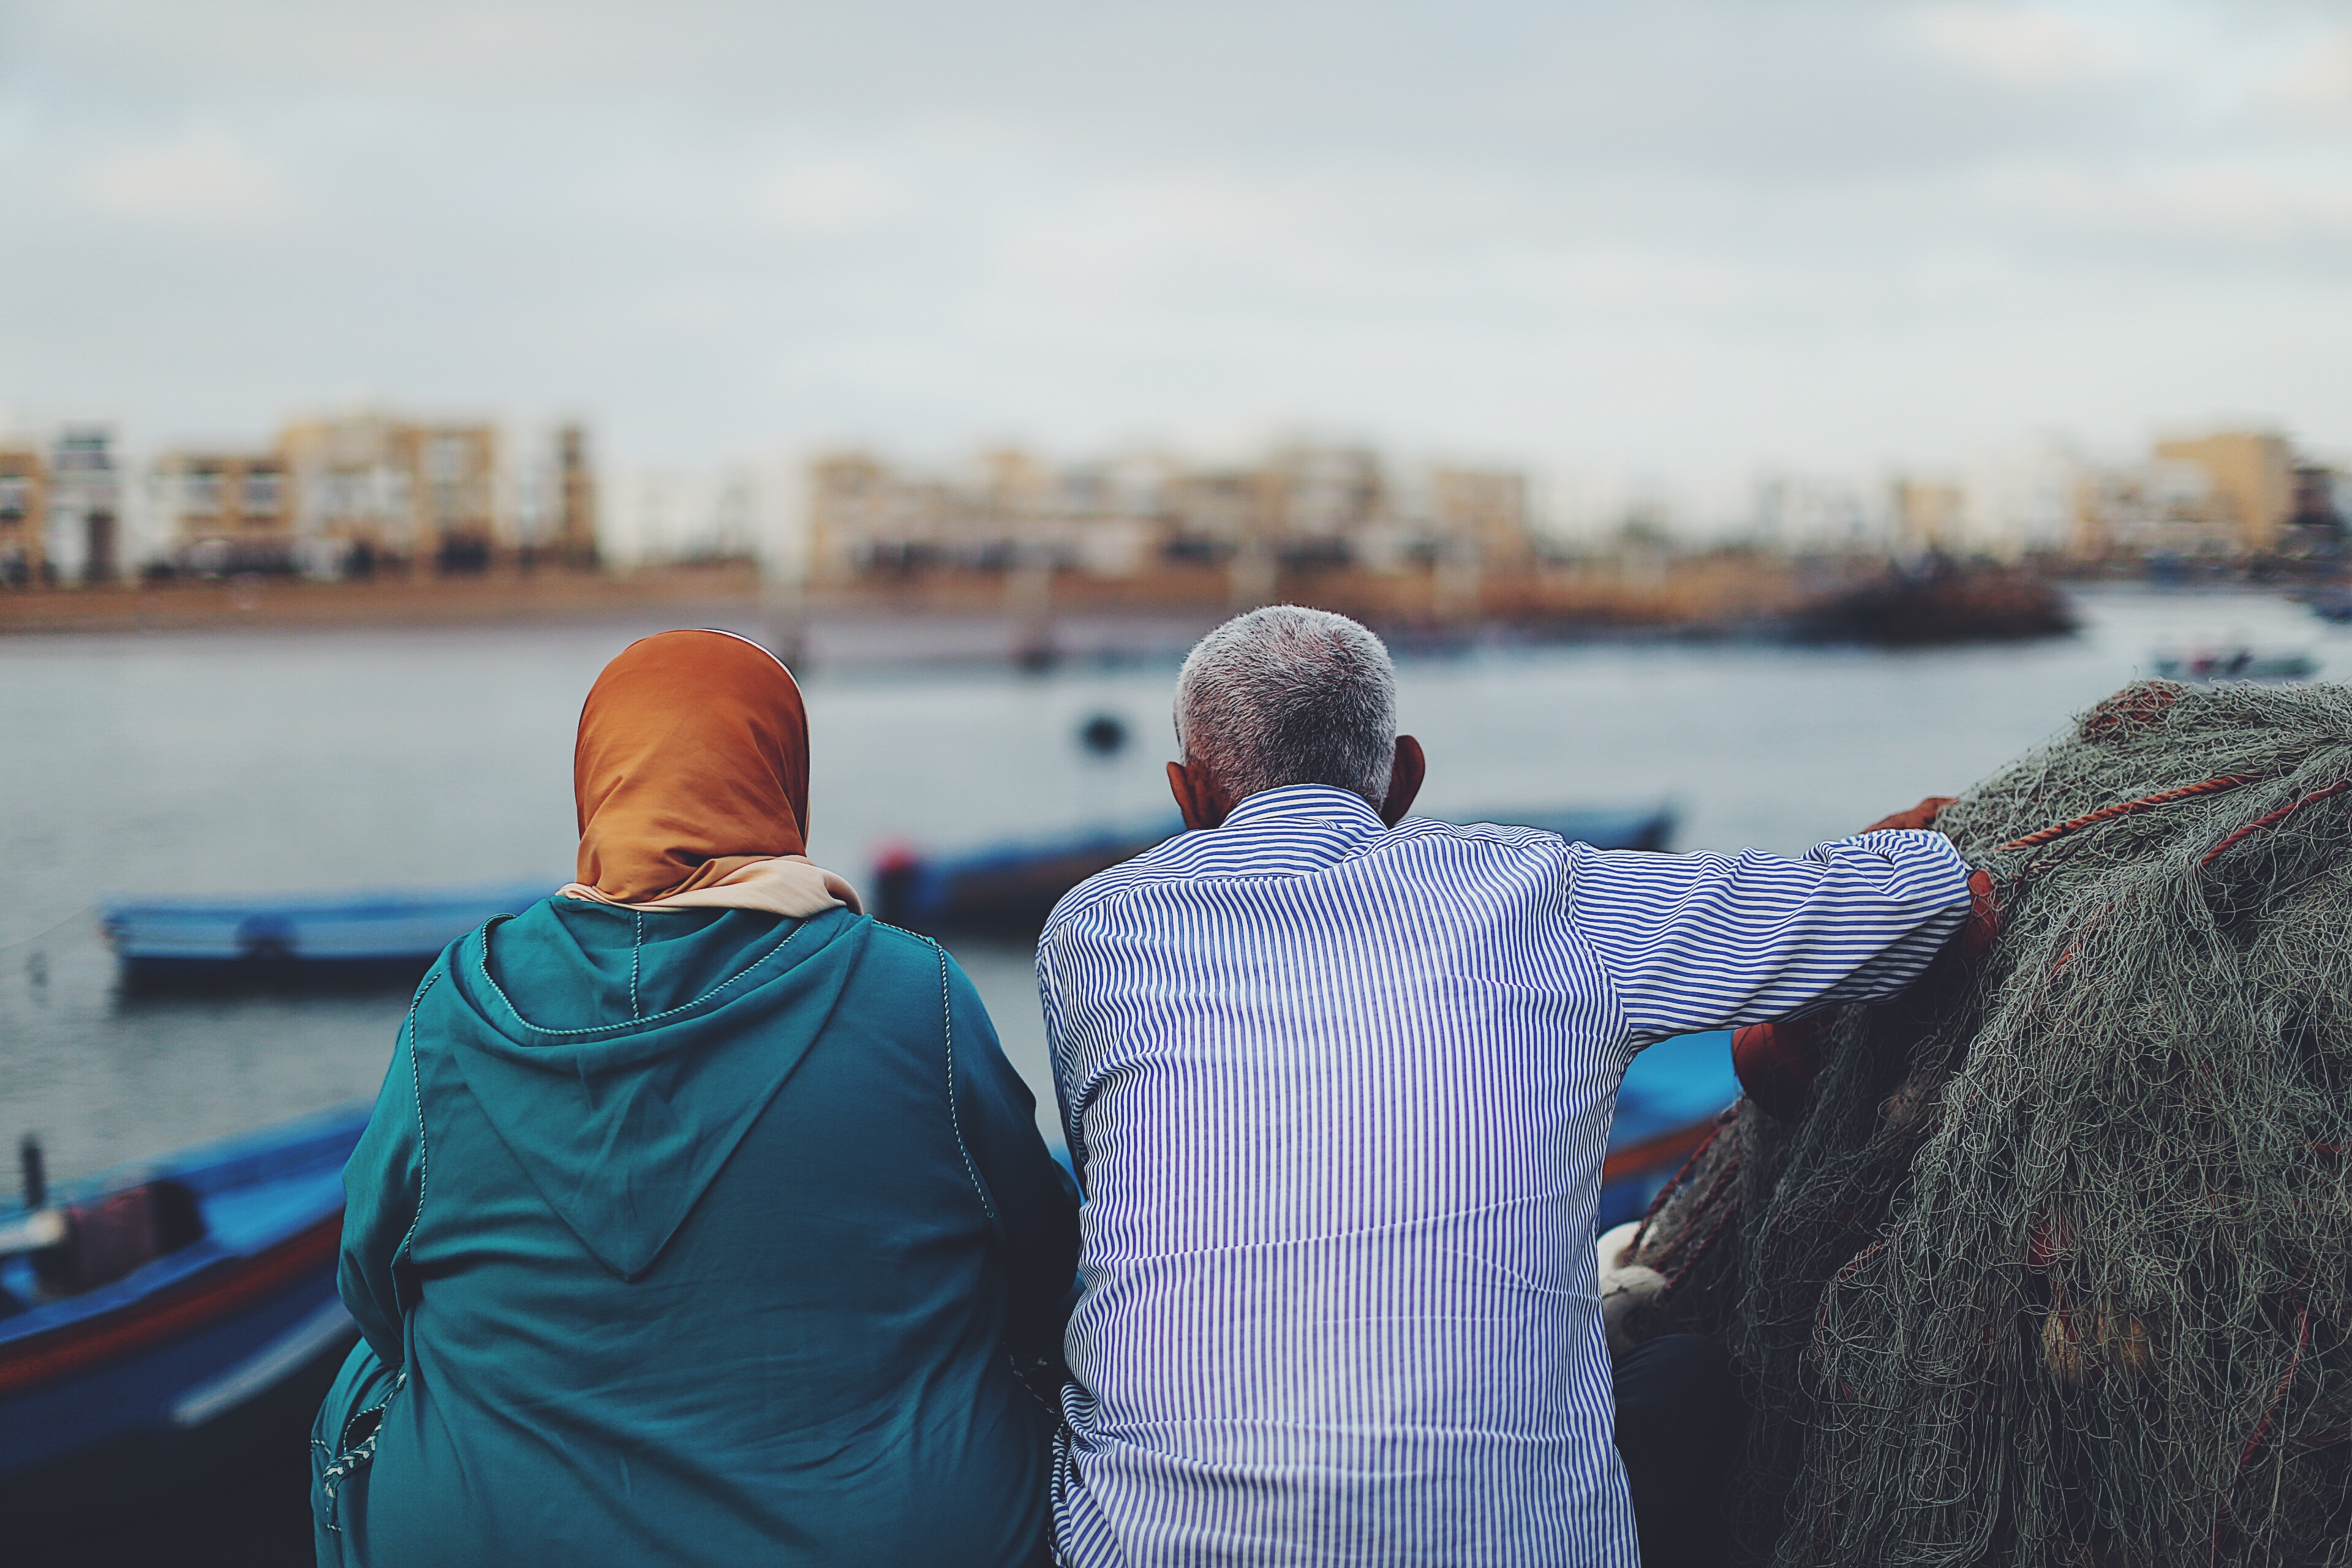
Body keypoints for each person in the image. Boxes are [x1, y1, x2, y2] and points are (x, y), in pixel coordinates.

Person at [1036, 605, 1975, 1568]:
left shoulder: (1088, 936)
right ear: (1405, 776)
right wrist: (1904, 851)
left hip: (1148, 1547)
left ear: (1187, 796)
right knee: (1686, 1375)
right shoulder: (1538, 893)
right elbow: (1925, 900)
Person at [311, 628, 1078, 1568]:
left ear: (597, 779)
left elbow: (372, 1283)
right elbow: (1039, 1263)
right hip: (887, 1530)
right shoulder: (912, 992)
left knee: (365, 1382)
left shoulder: (458, 1003)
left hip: (497, 1533)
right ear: (777, 773)